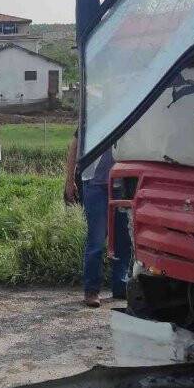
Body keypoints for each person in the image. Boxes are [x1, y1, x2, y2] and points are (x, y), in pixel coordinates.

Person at [64, 132, 130, 308]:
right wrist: (70, 181)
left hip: (121, 185)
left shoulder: (128, 112)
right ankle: (91, 290)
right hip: (95, 185)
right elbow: (74, 147)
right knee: (97, 240)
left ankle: (120, 285)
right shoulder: (93, 118)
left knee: (123, 238)